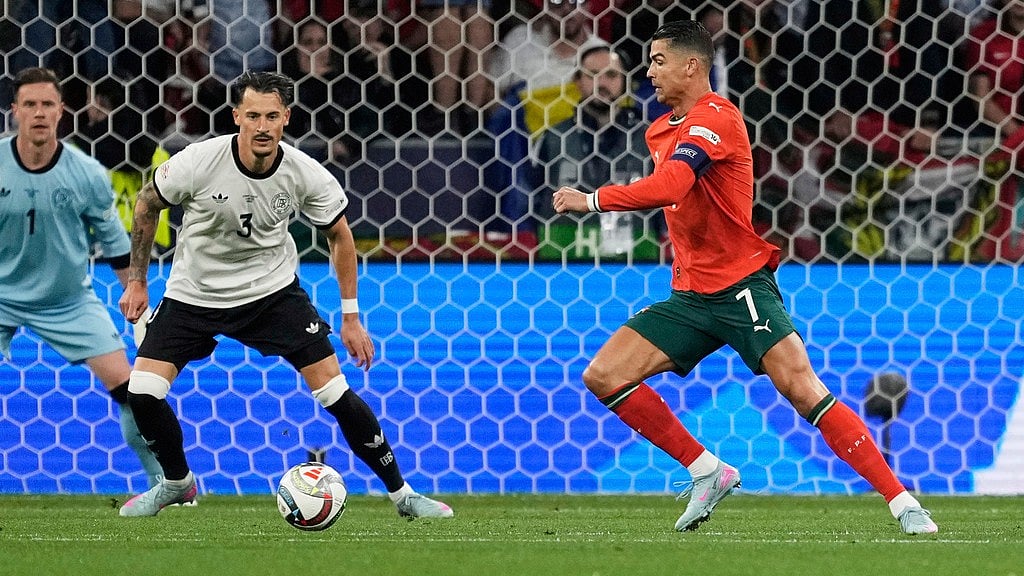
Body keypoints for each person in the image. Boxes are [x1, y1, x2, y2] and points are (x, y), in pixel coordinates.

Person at [551, 20, 939, 535]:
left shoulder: (718, 118)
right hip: (689, 294)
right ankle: (706, 470)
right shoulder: (658, 130)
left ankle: (903, 502)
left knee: (804, 391)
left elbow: (671, 186)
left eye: (658, 61)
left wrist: (592, 199)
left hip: (741, 287)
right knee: (604, 375)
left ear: (692, 66)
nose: (649, 71)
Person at [116, 70, 454, 520]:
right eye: (252, 115)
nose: (261, 126)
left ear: (286, 119)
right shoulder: (198, 161)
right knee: (142, 391)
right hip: (194, 293)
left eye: (271, 116)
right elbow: (146, 203)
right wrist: (138, 279)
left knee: (336, 393)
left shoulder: (304, 173)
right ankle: (177, 483)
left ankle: (404, 495)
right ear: (236, 116)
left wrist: (350, 317)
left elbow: (340, 236)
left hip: (272, 294)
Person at [0, 67, 164, 489]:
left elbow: (114, 243)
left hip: (68, 298)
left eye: (47, 104)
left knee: (133, 392)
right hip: (1, 296)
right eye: (30, 104)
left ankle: (169, 484)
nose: (39, 113)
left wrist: (137, 292)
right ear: (14, 111)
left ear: (62, 111)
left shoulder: (87, 173)